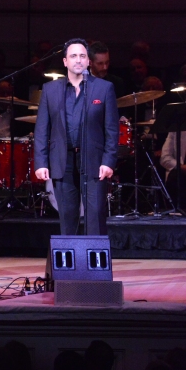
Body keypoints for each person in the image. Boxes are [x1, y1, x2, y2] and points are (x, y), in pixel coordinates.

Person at [34, 38, 118, 235]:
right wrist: (41, 162)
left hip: (94, 161)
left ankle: (95, 263)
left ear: (88, 61)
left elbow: (112, 129)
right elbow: (41, 129)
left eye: (82, 56)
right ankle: (69, 263)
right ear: (65, 61)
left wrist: (109, 161)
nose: (78, 60)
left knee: (95, 216)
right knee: (67, 217)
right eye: (73, 56)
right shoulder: (51, 90)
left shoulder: (104, 88)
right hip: (63, 161)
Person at [160, 130, 186, 210]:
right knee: (176, 176)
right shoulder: (176, 131)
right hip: (181, 174)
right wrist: (182, 167)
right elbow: (165, 158)